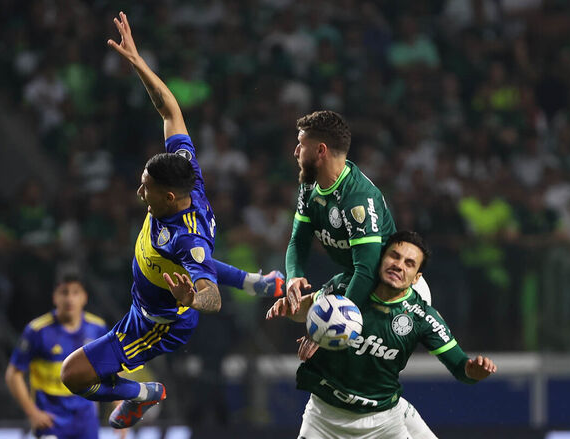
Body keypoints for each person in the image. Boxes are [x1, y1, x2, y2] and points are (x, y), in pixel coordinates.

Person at [59, 11, 280, 430]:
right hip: (157, 289)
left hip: (159, 321)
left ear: (170, 197)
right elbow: (170, 111)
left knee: (74, 376)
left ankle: (145, 394)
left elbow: (211, 297)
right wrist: (138, 63)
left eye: (146, 188)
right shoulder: (184, 169)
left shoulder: (186, 240)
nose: (139, 193)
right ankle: (256, 282)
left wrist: (190, 299)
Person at [267, 231, 497, 439]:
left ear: (416, 277)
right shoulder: (347, 285)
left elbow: (460, 367)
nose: (398, 265)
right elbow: (309, 309)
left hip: (383, 423)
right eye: (394, 256)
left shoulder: (423, 317)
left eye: (409, 263)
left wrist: (473, 371)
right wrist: (290, 309)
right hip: (324, 418)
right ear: (380, 258)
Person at [285, 111, 431, 313]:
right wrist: (294, 275)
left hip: (393, 292)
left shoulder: (357, 198)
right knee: (296, 312)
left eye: (301, 144)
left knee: (327, 332)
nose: (295, 151)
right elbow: (299, 239)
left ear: (320, 150)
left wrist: (338, 318)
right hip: (358, 280)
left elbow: (367, 269)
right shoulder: (309, 186)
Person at [6, 275, 116, 439]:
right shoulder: (37, 330)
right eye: (64, 293)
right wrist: (33, 413)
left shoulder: (97, 328)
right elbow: (13, 374)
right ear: (55, 297)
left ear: (84, 297)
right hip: (51, 421)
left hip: (86, 420)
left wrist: (119, 406)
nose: (69, 299)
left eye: (75, 293)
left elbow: (111, 367)